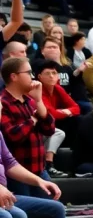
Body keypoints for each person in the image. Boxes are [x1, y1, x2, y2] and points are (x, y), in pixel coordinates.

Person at [0, 57, 57, 196]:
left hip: (39, 170)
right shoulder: (3, 103)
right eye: (28, 72)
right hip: (18, 174)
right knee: (30, 214)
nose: (32, 77)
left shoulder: (30, 101)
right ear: (14, 76)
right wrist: (33, 119)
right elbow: (13, 136)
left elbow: (49, 129)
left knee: (53, 209)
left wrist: (39, 101)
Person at [38, 60, 79, 176]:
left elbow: (76, 107)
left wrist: (63, 112)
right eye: (47, 73)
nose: (51, 76)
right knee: (59, 133)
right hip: (39, 125)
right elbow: (49, 113)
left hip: (50, 124)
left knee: (77, 119)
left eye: (54, 73)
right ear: (39, 77)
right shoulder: (38, 89)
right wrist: (66, 112)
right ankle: (49, 164)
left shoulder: (58, 88)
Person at [37, 36, 93, 115]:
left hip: (69, 99)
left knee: (88, 108)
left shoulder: (67, 66)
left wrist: (79, 70)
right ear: (43, 51)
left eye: (55, 47)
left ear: (60, 50)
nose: (52, 49)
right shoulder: (39, 66)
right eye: (49, 47)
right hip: (51, 101)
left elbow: (74, 81)